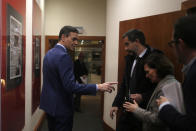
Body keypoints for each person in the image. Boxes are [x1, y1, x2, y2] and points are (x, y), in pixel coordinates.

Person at [40, 26, 117, 131]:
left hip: (49, 106)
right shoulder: (64, 56)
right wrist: (98, 87)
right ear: (63, 37)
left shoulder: (49, 53)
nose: (76, 43)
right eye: (74, 39)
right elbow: (70, 86)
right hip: (61, 108)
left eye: (77, 40)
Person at [110, 29, 160, 131]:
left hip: (144, 111)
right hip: (127, 109)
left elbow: (160, 87)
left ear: (137, 41)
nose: (125, 48)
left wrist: (143, 96)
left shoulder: (155, 57)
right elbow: (125, 83)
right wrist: (116, 104)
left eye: (127, 44)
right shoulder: (130, 58)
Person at [123, 53, 185, 131]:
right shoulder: (166, 83)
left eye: (148, 72)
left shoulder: (167, 87)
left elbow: (159, 119)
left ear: (158, 68)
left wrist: (136, 109)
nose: (146, 76)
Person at [156, 15, 196, 131]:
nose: (172, 49)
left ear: (181, 44)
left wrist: (164, 106)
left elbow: (191, 126)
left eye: (172, 44)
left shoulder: (194, 74)